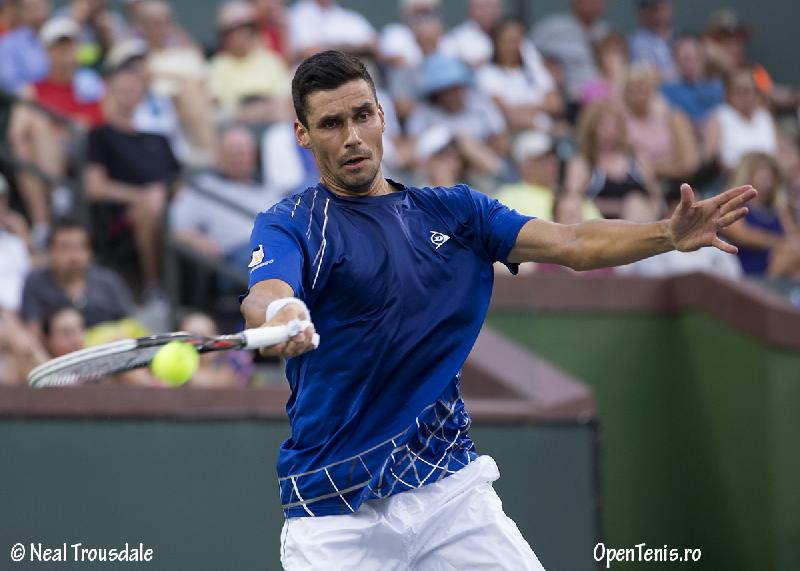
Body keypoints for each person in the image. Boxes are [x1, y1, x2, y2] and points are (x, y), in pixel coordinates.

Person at [239, 50, 756, 569]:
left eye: (362, 115)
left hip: (448, 489)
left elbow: (572, 241)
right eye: (331, 123)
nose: (352, 136)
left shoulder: (456, 211)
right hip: (334, 510)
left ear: (382, 115)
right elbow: (265, 294)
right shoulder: (290, 222)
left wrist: (666, 234)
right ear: (302, 135)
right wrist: (283, 310)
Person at [84, 56, 180, 295]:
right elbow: (95, 187)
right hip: (124, 214)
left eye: (134, 89)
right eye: (122, 89)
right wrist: (142, 196)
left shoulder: (158, 138)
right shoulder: (99, 135)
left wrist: (161, 196)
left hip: (173, 209)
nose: (128, 94)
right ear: (110, 91)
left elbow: (179, 182)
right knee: (151, 202)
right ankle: (154, 285)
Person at [170, 125, 285, 269]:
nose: (237, 158)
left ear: (254, 157)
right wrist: (199, 242)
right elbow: (176, 228)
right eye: (231, 153)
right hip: (236, 255)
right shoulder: (202, 187)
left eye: (242, 152)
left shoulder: (268, 190)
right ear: (219, 155)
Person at [20, 218, 134, 330]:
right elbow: (33, 330)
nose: (73, 256)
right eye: (64, 248)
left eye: (80, 247)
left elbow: (129, 324)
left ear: (90, 252)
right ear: (50, 252)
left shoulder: (108, 280)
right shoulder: (35, 283)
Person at [564, 100, 662, 221]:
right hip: (599, 223)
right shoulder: (584, 162)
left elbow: (655, 198)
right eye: (603, 126)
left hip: (638, 223)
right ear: (592, 128)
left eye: (614, 125)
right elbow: (574, 197)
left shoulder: (638, 159)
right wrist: (620, 207)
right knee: (569, 205)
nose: (610, 131)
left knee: (635, 203)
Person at [209, 0, 291, 123]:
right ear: (223, 35)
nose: (239, 34)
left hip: (275, 126)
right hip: (236, 131)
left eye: (244, 27)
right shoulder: (217, 65)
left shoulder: (270, 59)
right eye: (232, 29)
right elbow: (225, 111)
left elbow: (283, 100)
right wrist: (259, 111)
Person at [475, 18, 562, 133]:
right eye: (508, 41)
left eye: (517, 41)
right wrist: (540, 109)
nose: (512, 47)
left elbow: (556, 105)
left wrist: (521, 108)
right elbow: (503, 112)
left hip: (548, 131)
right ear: (496, 43)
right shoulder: (487, 74)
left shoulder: (536, 69)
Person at [723, 152, 800, 278]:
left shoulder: (777, 208)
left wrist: (783, 208)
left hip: (782, 265)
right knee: (787, 254)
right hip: (749, 266)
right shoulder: (732, 205)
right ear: (747, 176)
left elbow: (793, 237)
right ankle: (765, 291)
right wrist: (778, 242)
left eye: (771, 178)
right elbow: (741, 235)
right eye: (763, 177)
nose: (768, 183)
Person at [621, 66, 698, 184]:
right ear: (625, 95)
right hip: (639, 184)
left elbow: (689, 164)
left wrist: (655, 169)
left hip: (679, 182)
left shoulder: (672, 116)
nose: (639, 96)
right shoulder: (620, 123)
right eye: (633, 91)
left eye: (644, 89)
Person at [703, 68, 779, 175]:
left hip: (768, 179)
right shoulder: (720, 116)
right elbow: (709, 156)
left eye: (747, 91)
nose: (743, 97)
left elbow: (777, 153)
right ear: (728, 93)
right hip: (732, 179)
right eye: (738, 91)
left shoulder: (764, 116)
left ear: (756, 93)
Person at [531, 0, 609, 103]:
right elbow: (527, 53)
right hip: (568, 99)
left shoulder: (607, 32)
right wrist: (546, 70)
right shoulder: (553, 28)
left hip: (604, 100)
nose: (595, 4)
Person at [660, 35, 724, 130]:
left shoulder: (716, 87)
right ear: (675, 62)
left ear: (702, 60)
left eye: (694, 58)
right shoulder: (668, 90)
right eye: (685, 59)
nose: (689, 64)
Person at [0, 0, 52, 93]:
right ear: (21, 12)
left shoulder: (67, 31)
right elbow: (9, 80)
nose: (36, 13)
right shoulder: (8, 43)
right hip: (31, 101)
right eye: (30, 8)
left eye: (38, 6)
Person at [440, 0, 503, 68]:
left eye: (492, 6)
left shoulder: (512, 34)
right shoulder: (455, 39)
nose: (488, 11)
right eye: (482, 7)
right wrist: (466, 65)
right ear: (470, 10)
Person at [628, 0, 676, 82]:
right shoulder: (637, 43)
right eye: (653, 9)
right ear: (642, 14)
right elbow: (648, 77)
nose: (658, 15)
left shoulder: (678, 37)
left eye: (662, 8)